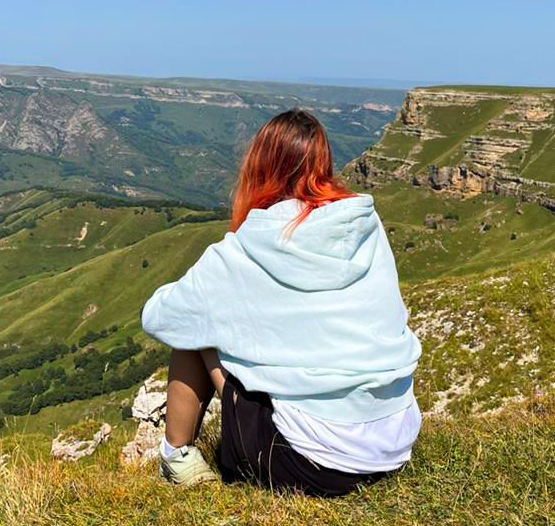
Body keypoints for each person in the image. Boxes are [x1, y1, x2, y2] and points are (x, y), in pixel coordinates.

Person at [140, 108, 422, 496]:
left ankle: (177, 457)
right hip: (393, 443)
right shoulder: (365, 227)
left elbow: (161, 317)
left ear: (259, 165)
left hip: (313, 464)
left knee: (195, 327)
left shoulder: (247, 247)